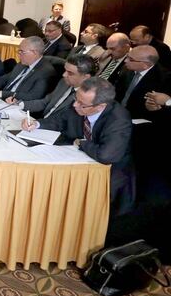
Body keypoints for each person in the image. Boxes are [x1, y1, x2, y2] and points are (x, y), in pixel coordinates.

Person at [22, 77, 134, 216]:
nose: (75, 105)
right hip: (79, 158)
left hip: (108, 173)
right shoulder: (81, 103)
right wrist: (36, 124)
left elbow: (107, 155)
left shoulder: (118, 120)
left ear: (100, 106)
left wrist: (82, 143)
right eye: (76, 98)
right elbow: (59, 120)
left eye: (81, 103)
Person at [7, 54, 96, 119]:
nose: (64, 75)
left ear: (86, 77)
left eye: (70, 73)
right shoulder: (63, 83)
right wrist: (20, 104)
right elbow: (45, 102)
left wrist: (40, 124)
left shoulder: (89, 98)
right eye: (65, 70)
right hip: (39, 123)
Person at [0, 36, 57, 101]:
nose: (18, 54)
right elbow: (5, 79)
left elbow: (33, 96)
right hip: (1, 100)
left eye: (22, 52)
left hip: (17, 106)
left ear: (34, 53)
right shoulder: (22, 63)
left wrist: (0, 94)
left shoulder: (46, 71)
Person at [115, 45, 170, 120]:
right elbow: (117, 91)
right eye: (127, 56)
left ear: (145, 65)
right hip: (116, 112)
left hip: (138, 119)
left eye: (131, 59)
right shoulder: (126, 69)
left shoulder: (164, 79)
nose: (125, 61)